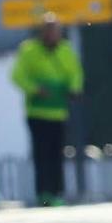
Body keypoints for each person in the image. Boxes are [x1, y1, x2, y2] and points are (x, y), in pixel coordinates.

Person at [10, 13, 81, 207]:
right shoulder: (29, 50)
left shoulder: (66, 51)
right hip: (37, 113)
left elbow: (75, 73)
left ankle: (58, 192)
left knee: (57, 154)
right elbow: (17, 76)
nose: (51, 34)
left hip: (58, 113)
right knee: (41, 154)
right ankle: (43, 194)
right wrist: (35, 89)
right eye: (48, 30)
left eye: (55, 31)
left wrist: (74, 89)